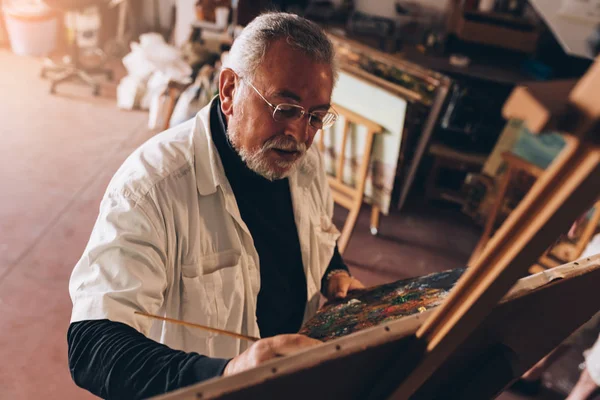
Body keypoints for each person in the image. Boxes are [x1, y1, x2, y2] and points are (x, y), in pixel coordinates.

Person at [68, 12, 365, 399]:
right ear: (228, 90)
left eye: (316, 116)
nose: (300, 135)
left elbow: (316, 234)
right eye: (284, 109)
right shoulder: (151, 186)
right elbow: (92, 346)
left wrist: (333, 271)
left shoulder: (304, 165)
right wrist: (229, 373)